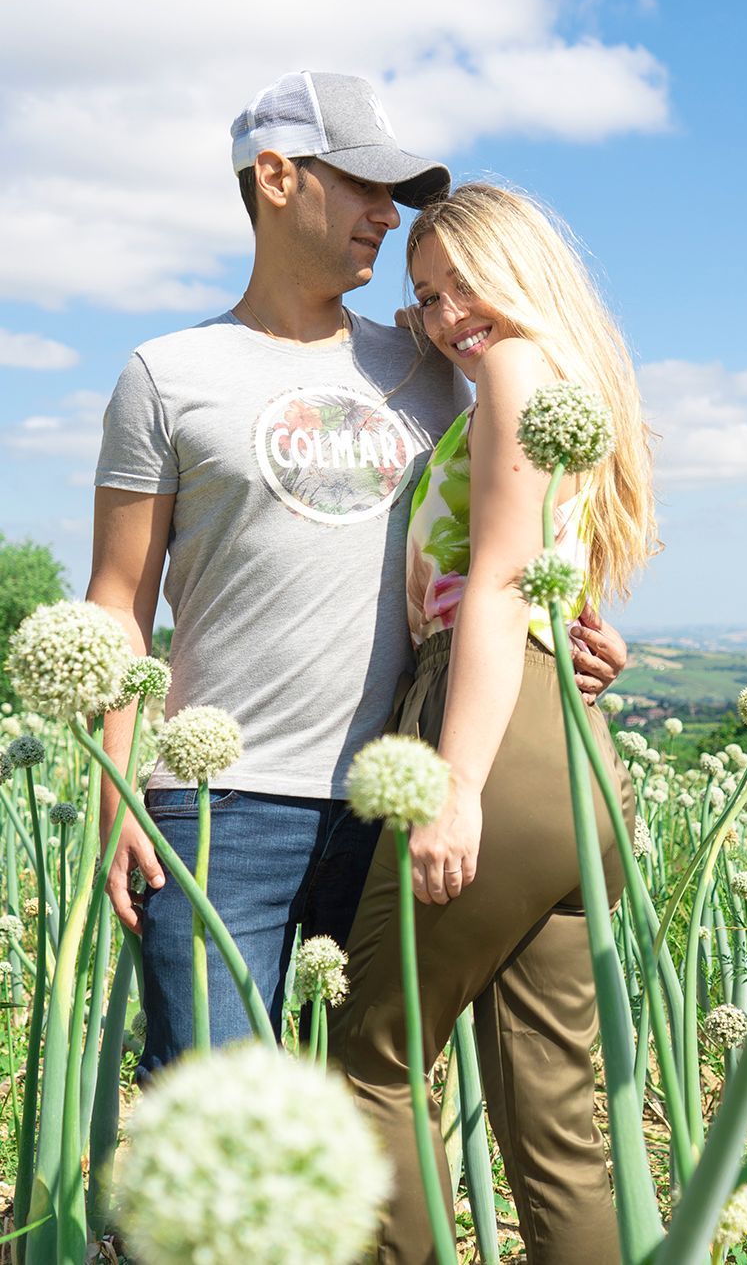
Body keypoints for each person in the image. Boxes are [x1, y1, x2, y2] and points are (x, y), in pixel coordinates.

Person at [89, 72, 627, 1076]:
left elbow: (511, 525)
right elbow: (116, 602)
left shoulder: (435, 358)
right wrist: (121, 792)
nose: (390, 214)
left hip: (396, 804)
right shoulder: (164, 375)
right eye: (364, 185)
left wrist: (574, 627)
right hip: (216, 812)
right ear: (279, 176)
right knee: (217, 1124)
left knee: (356, 1128)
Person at [328, 183, 658, 1265]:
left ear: (520, 271)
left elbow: (503, 580)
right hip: (571, 760)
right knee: (559, 1132)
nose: (446, 315)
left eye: (464, 282)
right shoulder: (568, 383)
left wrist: (455, 782)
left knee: (370, 1066)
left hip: (490, 741)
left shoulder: (515, 370)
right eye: (425, 297)